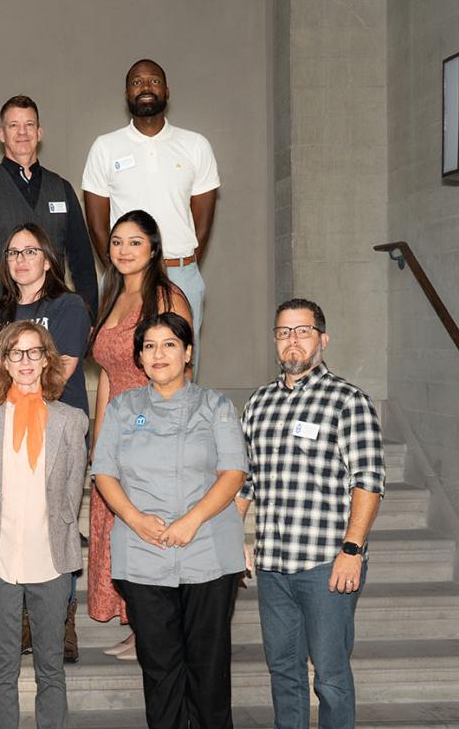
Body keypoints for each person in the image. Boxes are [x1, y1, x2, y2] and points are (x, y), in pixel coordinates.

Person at [91, 313, 247, 729]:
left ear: (188, 352)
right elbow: (103, 472)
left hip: (208, 549)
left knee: (208, 668)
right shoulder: (122, 408)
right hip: (143, 553)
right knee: (160, 669)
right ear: (139, 358)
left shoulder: (215, 405)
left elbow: (233, 473)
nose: (159, 354)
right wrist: (135, 519)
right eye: (149, 346)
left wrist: (191, 521)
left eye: (169, 344)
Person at [237, 298, 385, 729]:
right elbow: (244, 482)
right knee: (283, 672)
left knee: (331, 676)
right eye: (284, 332)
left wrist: (352, 551)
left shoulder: (348, 401)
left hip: (327, 564)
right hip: (273, 566)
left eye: (302, 331)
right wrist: (235, 537)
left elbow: (368, 482)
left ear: (323, 338)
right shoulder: (258, 404)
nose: (292, 341)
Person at [0, 322, 89, 729]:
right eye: (16, 353)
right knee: (3, 668)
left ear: (48, 359)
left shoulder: (71, 421)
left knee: (51, 667)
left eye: (35, 352)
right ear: (4, 361)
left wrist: (58, 524)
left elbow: (73, 490)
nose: (26, 362)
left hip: (50, 558)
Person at [87, 209, 191, 661]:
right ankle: (138, 628)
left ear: (153, 247)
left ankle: (157, 632)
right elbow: (109, 374)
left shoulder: (168, 296)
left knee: (149, 530)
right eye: (116, 242)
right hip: (117, 429)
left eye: (134, 242)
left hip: (153, 430)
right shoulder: (112, 296)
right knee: (121, 531)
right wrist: (99, 443)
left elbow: (181, 367)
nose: (124, 250)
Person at [82, 59, 219, 375]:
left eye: (154, 81)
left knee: (180, 366)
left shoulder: (196, 145)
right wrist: (123, 267)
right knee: (119, 362)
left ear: (167, 91)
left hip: (180, 273)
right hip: (125, 277)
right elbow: (97, 221)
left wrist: (179, 262)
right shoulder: (105, 147)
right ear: (126, 93)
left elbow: (203, 220)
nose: (145, 87)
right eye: (137, 82)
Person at [0, 95, 98, 344]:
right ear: (1, 134)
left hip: (54, 315)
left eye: (29, 125)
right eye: (14, 126)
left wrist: (88, 317)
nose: (22, 132)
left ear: (40, 132)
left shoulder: (62, 189)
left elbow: (83, 260)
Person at [0, 223, 93, 416]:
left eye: (30, 252)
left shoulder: (69, 306)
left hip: (57, 423)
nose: (20, 259)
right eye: (13, 253)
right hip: (7, 417)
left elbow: (60, 371)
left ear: (47, 262)